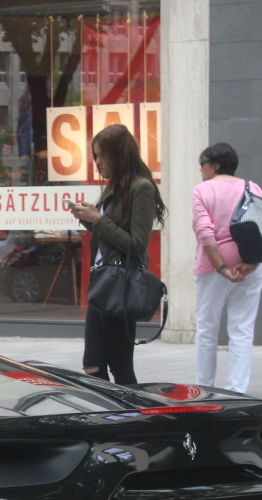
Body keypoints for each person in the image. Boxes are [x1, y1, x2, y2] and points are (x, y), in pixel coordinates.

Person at [69, 124, 166, 385]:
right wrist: (88, 218)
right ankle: (110, 416)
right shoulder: (115, 186)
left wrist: (98, 219)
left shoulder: (141, 188)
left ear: (118, 154)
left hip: (120, 284)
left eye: (101, 155)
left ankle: (133, 419)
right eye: (95, 156)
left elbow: (137, 245)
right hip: (103, 282)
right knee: (92, 364)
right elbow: (109, 235)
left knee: (120, 366)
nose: (97, 162)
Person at [191, 142, 262, 394]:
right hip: (251, 265)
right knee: (242, 329)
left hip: (212, 268)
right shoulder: (253, 188)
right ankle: (237, 391)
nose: (201, 170)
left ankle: (204, 389)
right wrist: (252, 263)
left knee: (207, 328)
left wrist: (221, 267)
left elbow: (205, 232)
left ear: (215, 165)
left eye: (203, 164)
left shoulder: (203, 190)